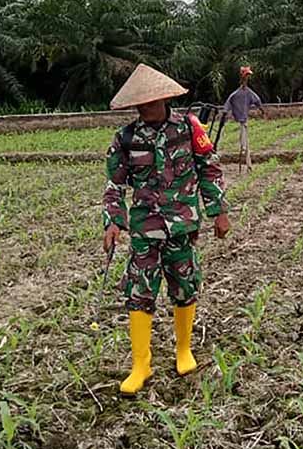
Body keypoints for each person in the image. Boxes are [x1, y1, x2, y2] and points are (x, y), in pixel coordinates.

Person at [102, 63, 230, 396]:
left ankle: (183, 350)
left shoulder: (189, 128)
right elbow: (114, 185)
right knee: (139, 292)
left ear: (164, 98)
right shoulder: (126, 139)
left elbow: (209, 169)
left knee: (185, 287)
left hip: (182, 226)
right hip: (145, 229)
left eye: (150, 102)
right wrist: (113, 221)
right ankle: (140, 364)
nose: (145, 108)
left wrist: (218, 211)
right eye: (139, 105)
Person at [223, 66, 264, 172]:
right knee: (243, 142)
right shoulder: (236, 94)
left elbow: (257, 100)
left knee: (244, 142)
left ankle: (248, 164)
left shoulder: (248, 93)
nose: (247, 78)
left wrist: (261, 109)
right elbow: (227, 104)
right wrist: (225, 113)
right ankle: (248, 164)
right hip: (241, 119)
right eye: (246, 75)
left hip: (244, 119)